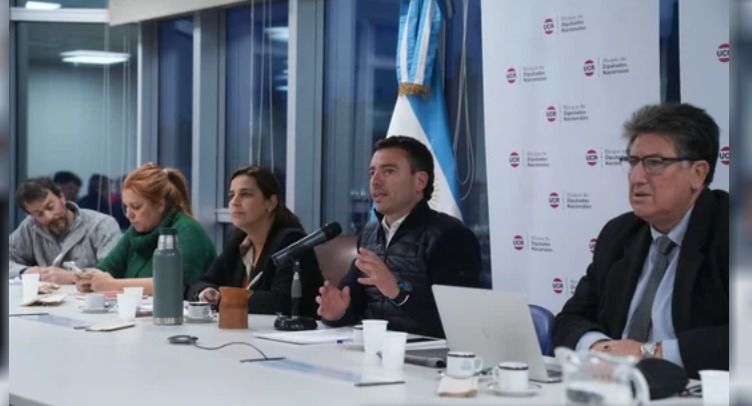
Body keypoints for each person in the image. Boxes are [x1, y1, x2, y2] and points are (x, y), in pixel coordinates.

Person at [553, 103, 728, 378]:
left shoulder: (731, 232)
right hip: (617, 386)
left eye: (654, 163)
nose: (636, 177)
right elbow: (570, 319)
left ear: (698, 173)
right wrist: (601, 348)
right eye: (633, 162)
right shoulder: (619, 234)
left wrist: (650, 353)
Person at [316, 136, 481, 338]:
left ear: (420, 181)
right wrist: (337, 313)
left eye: (388, 171)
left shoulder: (451, 236)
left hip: (425, 354)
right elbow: (354, 305)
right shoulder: (369, 235)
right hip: (373, 347)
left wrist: (398, 292)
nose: (375, 181)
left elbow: (457, 321)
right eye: (372, 172)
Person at [186, 166, 323, 317]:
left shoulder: (291, 241)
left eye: (245, 194)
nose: (234, 202)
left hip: (293, 330)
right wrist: (207, 292)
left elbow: (282, 302)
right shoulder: (238, 240)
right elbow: (199, 284)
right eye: (231, 195)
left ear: (271, 202)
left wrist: (225, 298)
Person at [76, 163, 216, 295]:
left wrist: (113, 285)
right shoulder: (135, 232)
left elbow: (173, 284)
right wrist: (90, 279)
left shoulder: (189, 231)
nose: (128, 215)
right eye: (126, 207)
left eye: (136, 207)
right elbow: (106, 269)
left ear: (160, 205)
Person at [9, 177, 121, 283]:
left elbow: (113, 271)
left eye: (50, 207)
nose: (48, 217)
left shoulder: (102, 225)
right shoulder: (31, 226)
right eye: (39, 214)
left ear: (61, 197)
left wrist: (73, 277)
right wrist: (25, 271)